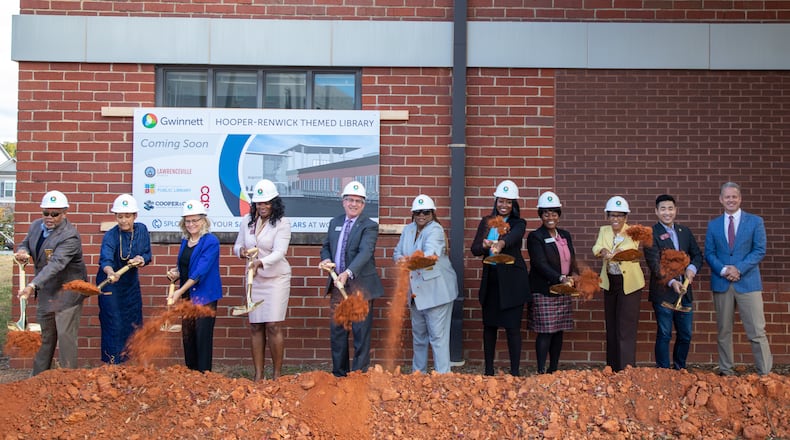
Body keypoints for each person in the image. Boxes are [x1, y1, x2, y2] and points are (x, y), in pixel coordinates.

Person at [14, 190, 88, 376]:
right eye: (46, 213)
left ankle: (68, 380)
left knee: (65, 338)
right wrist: (23, 252)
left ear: (64, 213)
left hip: (67, 293)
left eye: (55, 214)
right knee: (45, 337)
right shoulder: (35, 226)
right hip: (47, 291)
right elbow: (25, 243)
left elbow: (56, 264)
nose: (49, 217)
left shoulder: (70, 236)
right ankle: (38, 379)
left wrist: (32, 285)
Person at [704, 182, 772, 376]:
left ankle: (764, 373)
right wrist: (725, 269)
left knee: (757, 331)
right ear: (721, 199)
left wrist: (739, 269)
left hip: (748, 283)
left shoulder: (755, 221)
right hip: (722, 282)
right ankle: (726, 371)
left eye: (734, 196)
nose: (731, 200)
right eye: (727, 197)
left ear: (740, 198)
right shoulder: (714, 224)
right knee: (724, 331)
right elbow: (709, 253)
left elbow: (759, 250)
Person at [318, 181, 384, 377]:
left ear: (363, 204)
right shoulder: (335, 222)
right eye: (350, 200)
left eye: (358, 201)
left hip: (360, 287)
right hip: (338, 288)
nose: (354, 204)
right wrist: (327, 259)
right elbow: (326, 247)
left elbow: (365, 252)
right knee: (338, 331)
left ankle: (358, 376)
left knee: (360, 332)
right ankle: (339, 374)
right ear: (343, 202)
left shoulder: (369, 226)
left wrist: (347, 272)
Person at [233, 179, 292, 381]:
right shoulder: (247, 221)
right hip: (254, 280)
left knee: (273, 325)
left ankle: (277, 375)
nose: (263, 207)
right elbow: (237, 245)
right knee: (256, 326)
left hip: (276, 279)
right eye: (259, 203)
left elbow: (280, 252)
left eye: (266, 203)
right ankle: (258, 375)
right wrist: (240, 251)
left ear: (274, 203)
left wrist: (261, 262)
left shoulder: (282, 223)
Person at [470, 180, 530, 376]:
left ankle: (514, 372)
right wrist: (486, 246)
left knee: (512, 328)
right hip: (492, 281)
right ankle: (489, 371)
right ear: (496, 201)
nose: (503, 205)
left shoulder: (518, 223)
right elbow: (475, 249)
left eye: (508, 202)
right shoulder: (487, 221)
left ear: (514, 205)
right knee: (490, 327)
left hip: (512, 282)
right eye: (500, 201)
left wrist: (501, 244)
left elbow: (513, 238)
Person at [393, 194, 458, 374]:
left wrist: (407, 261)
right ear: (413, 214)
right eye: (418, 212)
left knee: (438, 337)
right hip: (417, 292)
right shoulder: (408, 230)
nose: (421, 215)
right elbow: (397, 252)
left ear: (432, 213)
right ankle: (418, 375)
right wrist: (400, 259)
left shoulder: (435, 229)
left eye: (426, 212)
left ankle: (442, 376)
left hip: (437, 292)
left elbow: (430, 255)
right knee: (419, 337)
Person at [643, 194, 703, 370]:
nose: (667, 212)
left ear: (676, 210)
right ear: (656, 211)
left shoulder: (685, 232)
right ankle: (663, 371)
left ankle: (679, 369)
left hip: (685, 292)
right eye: (663, 209)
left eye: (670, 208)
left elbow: (698, 255)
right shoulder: (651, 234)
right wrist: (671, 282)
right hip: (663, 292)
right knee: (664, 333)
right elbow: (654, 264)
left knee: (685, 334)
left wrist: (691, 269)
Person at [166, 199, 222, 372]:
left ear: (203, 220)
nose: (191, 224)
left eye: (195, 220)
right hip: (188, 297)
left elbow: (200, 271)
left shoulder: (211, 242)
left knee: (202, 338)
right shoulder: (186, 241)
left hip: (204, 296)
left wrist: (179, 291)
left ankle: (204, 377)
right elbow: (187, 266)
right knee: (188, 337)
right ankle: (191, 375)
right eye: (188, 221)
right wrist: (176, 272)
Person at [526, 191, 579, 374]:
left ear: (559, 215)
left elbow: (571, 259)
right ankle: (541, 370)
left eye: (554, 213)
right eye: (546, 213)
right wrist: (559, 278)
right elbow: (539, 263)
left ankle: (554, 369)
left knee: (558, 331)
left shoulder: (565, 235)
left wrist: (576, 276)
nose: (551, 217)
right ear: (540, 215)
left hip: (563, 290)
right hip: (544, 290)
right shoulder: (535, 237)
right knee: (546, 331)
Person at [96, 194, 152, 364]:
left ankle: (132, 363)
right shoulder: (111, 236)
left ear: (135, 216)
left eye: (127, 216)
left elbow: (147, 254)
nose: (123, 220)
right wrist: (110, 272)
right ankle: (113, 364)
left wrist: (142, 259)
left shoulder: (142, 230)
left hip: (130, 284)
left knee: (133, 322)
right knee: (114, 323)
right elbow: (105, 259)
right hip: (110, 284)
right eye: (120, 216)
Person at [592, 196, 645, 372]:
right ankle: (612, 367)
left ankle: (626, 369)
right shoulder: (604, 231)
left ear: (626, 217)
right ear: (607, 216)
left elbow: (634, 251)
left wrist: (623, 252)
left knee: (626, 327)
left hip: (629, 284)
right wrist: (603, 251)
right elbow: (596, 248)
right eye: (612, 215)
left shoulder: (632, 232)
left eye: (620, 215)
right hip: (611, 283)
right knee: (612, 326)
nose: (616, 219)